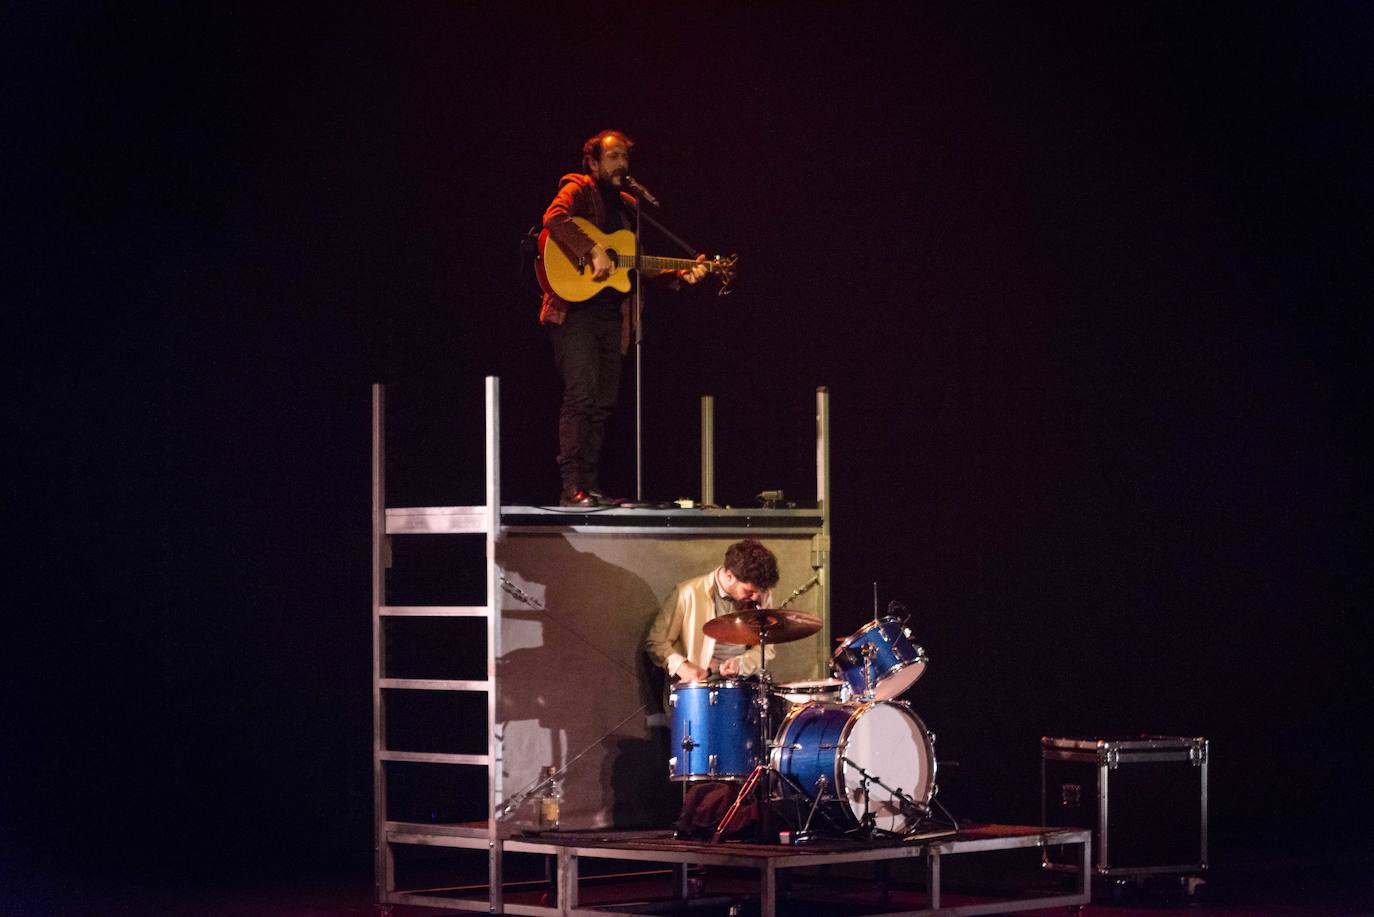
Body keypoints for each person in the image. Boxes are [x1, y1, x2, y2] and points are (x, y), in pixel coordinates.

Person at [539, 129, 707, 507]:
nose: (621, 164)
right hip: (574, 312)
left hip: (612, 316)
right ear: (594, 162)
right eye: (612, 157)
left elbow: (635, 262)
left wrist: (681, 273)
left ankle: (590, 486)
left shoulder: (629, 204)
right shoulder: (578, 188)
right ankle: (571, 488)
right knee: (580, 395)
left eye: (624, 158)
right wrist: (591, 249)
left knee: (602, 401)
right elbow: (554, 218)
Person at [645, 539, 780, 685]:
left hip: (744, 687)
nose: (755, 597)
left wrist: (742, 664)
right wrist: (681, 666)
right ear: (729, 576)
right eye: (749, 591)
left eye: (760, 592)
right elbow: (656, 642)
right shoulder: (687, 593)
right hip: (698, 690)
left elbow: (766, 648)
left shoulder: (760, 596)